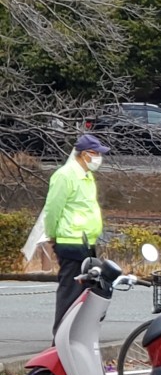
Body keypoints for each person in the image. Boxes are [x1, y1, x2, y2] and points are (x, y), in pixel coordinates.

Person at [43, 133, 110, 334]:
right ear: (83, 154)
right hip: (70, 241)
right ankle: (61, 339)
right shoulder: (65, 175)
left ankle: (76, 336)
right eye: (95, 153)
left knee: (87, 293)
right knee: (70, 293)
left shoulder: (87, 176)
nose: (99, 158)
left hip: (86, 242)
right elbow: (52, 208)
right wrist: (52, 234)